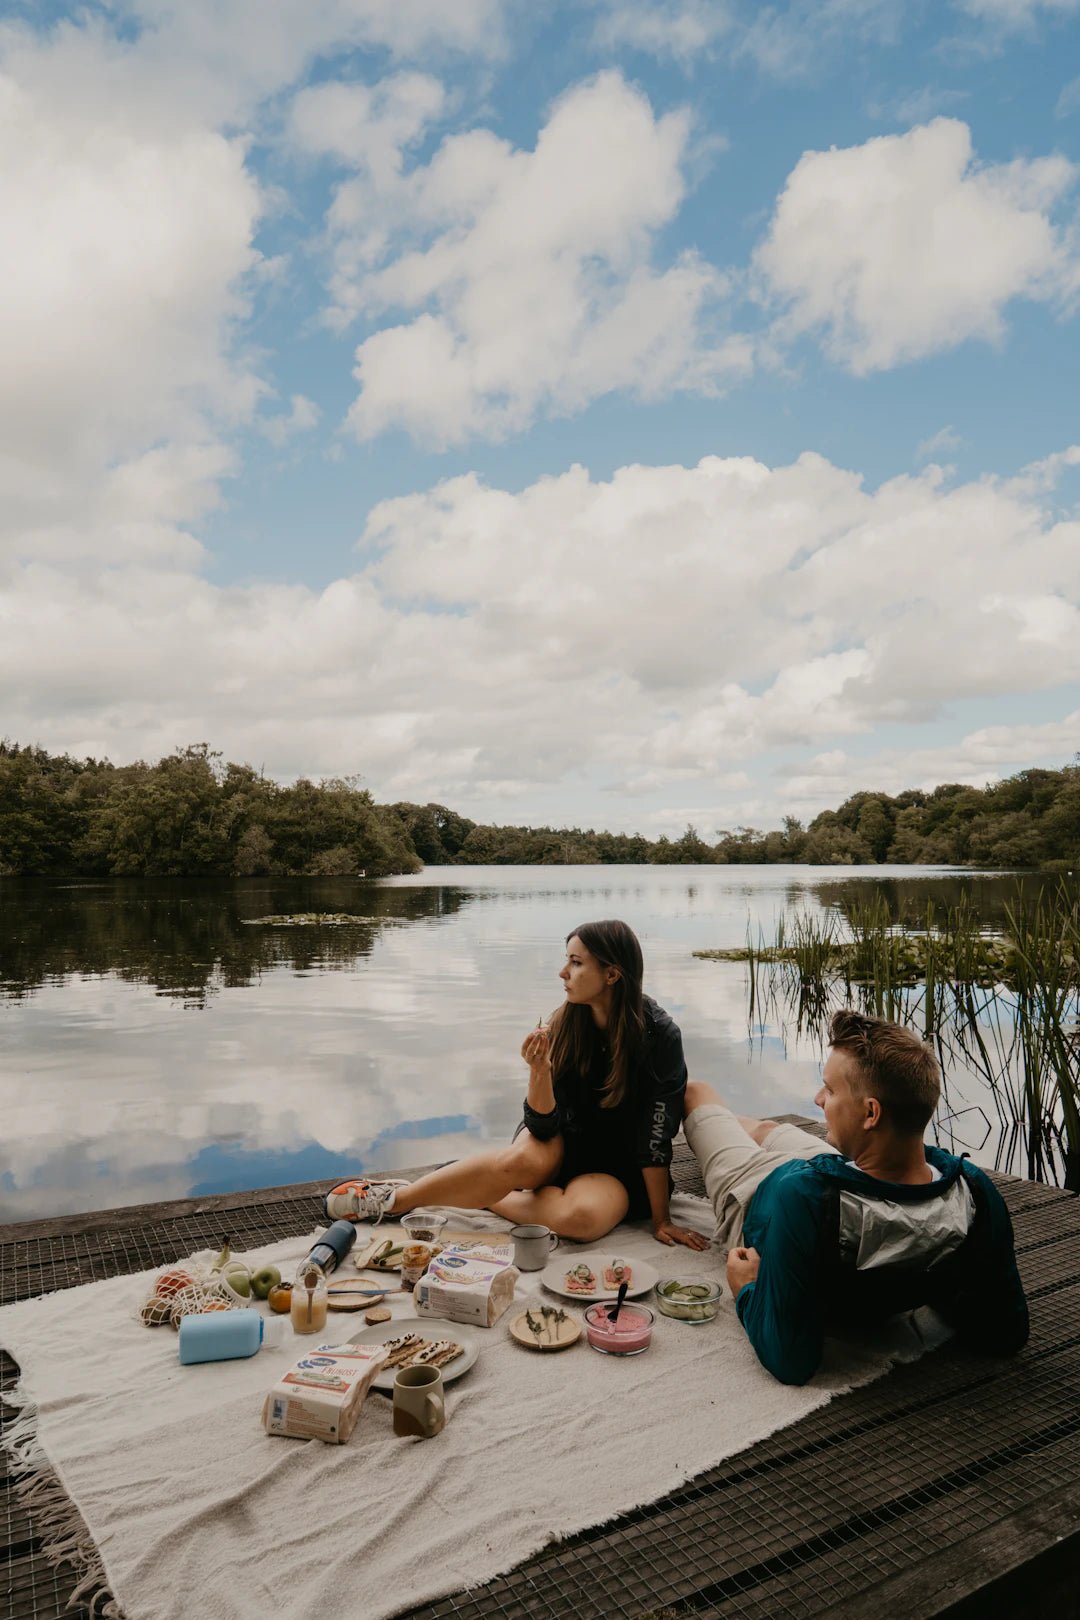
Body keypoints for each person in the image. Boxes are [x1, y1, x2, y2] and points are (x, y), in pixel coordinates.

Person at [683, 1008, 1029, 1385]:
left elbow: (789, 1360)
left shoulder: (803, 1198)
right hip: (847, 1169)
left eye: (830, 1090)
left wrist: (747, 1287)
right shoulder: (972, 1189)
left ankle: (725, 1121)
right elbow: (1006, 1332)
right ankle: (744, 1125)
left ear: (870, 1113)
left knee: (695, 1093)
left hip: (755, 1188)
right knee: (767, 1127)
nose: (818, 1099)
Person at [325, 919, 707, 1249]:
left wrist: (661, 1219)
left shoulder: (659, 1037)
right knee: (523, 1161)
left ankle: (480, 1191)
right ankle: (396, 1198)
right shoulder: (565, 1023)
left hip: (617, 1168)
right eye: (566, 960)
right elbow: (543, 1124)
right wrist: (539, 1071)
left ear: (612, 975)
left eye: (576, 963)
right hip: (560, 1139)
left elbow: (655, 1137)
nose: (563, 972)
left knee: (581, 1221)